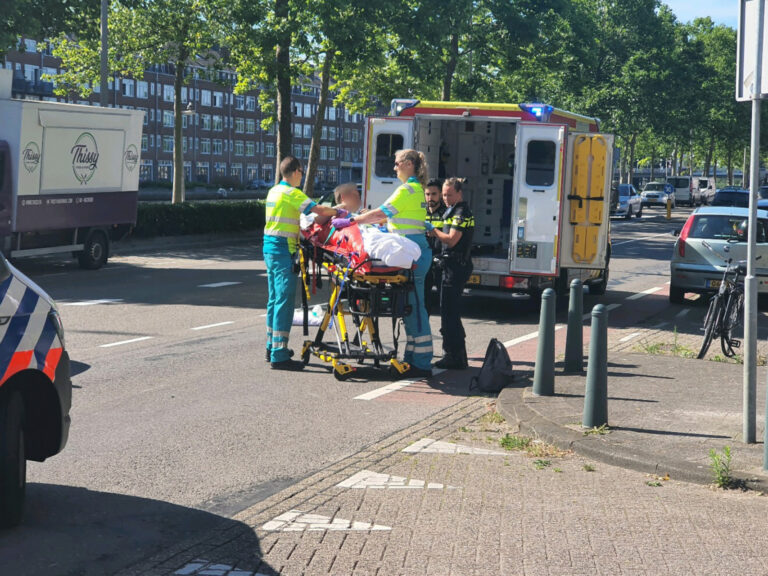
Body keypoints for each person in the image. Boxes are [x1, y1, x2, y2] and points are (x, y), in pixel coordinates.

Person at [331, 149, 433, 378]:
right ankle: (413, 358)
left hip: (411, 254)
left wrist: (352, 219)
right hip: (412, 251)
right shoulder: (415, 189)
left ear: (408, 164)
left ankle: (423, 363)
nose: (394, 167)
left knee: (415, 309)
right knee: (410, 308)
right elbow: (390, 218)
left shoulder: (407, 189)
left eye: (397, 163)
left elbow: (381, 214)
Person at [264, 156, 343, 370]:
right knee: (284, 301)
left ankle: (272, 346)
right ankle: (279, 355)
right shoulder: (291, 193)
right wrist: (339, 211)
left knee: (274, 299)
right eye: (302, 172)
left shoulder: (274, 191)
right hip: (283, 251)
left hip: (270, 249)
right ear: (297, 171)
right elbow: (318, 211)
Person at [427, 177, 474, 369]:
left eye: (449, 194)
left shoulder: (460, 213)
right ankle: (458, 354)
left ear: (459, 193)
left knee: (449, 312)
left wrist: (434, 231)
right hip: (450, 266)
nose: (445, 198)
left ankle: (453, 355)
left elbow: (452, 240)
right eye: (444, 194)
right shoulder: (452, 210)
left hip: (455, 266)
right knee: (449, 312)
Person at [424, 178, 446, 311]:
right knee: (424, 299)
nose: (430, 198)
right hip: (424, 260)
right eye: (427, 194)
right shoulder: (420, 213)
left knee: (444, 299)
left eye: (434, 194)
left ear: (440, 195)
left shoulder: (447, 213)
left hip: (440, 261)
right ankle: (423, 330)